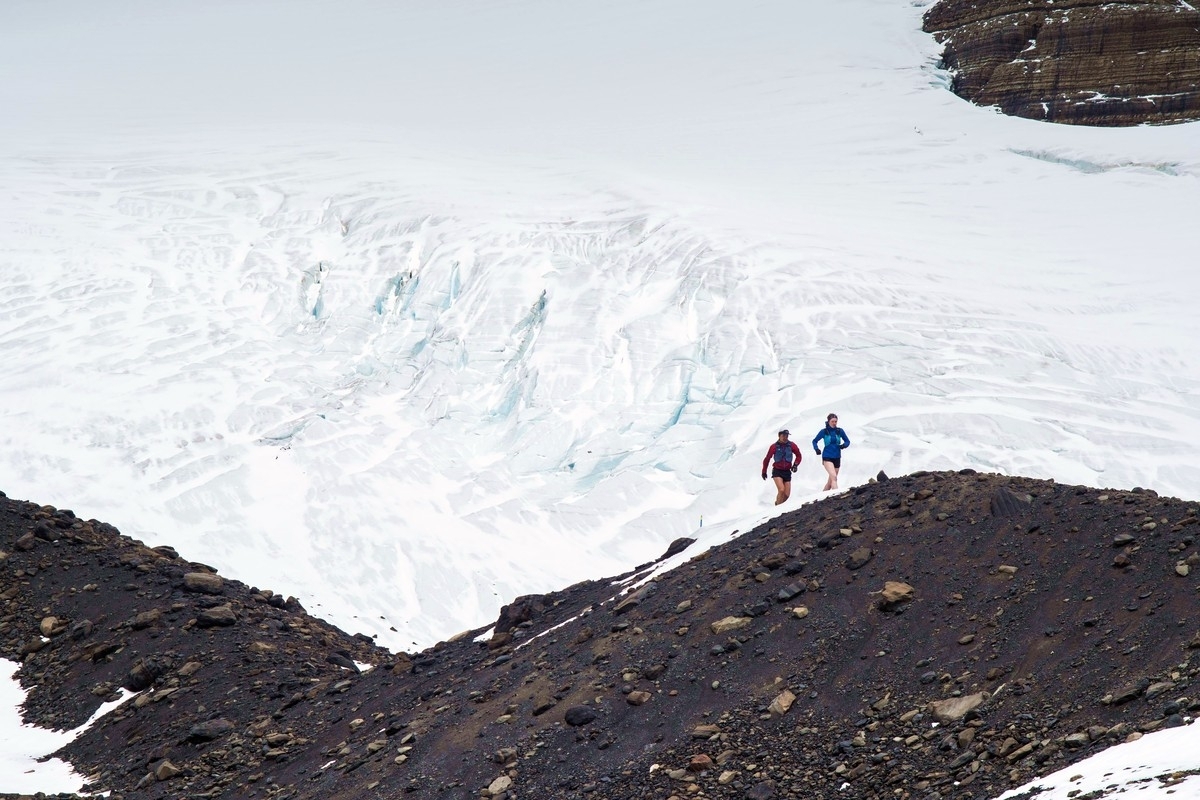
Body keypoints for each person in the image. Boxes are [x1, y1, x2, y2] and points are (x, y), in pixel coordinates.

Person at [761, 429, 802, 505]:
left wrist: (795, 465)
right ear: (779, 436)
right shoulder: (774, 447)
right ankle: (777, 511)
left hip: (787, 471)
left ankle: (778, 504)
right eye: (783, 435)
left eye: (786, 436)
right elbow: (767, 459)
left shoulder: (792, 445)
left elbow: (799, 455)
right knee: (781, 490)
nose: (785, 437)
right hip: (777, 471)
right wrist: (764, 471)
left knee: (787, 495)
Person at [812, 413, 850, 491]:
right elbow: (814, 441)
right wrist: (816, 449)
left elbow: (847, 441)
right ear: (828, 421)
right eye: (832, 421)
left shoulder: (839, 431)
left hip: (837, 456)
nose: (834, 423)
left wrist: (843, 445)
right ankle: (836, 495)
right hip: (827, 456)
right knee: (834, 477)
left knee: (830, 482)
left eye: (835, 421)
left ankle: (821, 499)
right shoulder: (824, 431)